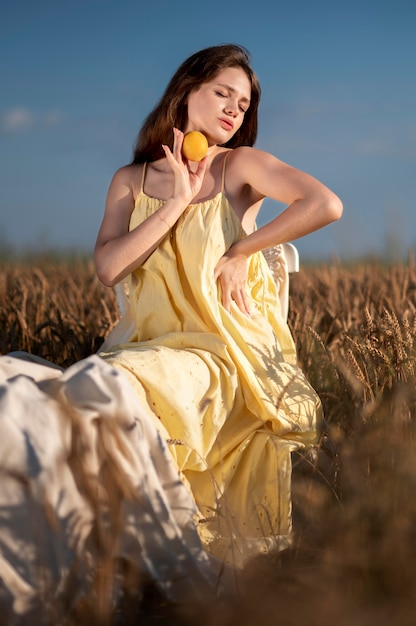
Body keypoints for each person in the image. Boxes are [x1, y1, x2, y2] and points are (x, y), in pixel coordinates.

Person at [94, 43, 343, 567]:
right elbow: (108, 268)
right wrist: (179, 202)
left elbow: (326, 204)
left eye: (244, 104)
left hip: (226, 353)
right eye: (222, 94)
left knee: (114, 387)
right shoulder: (129, 180)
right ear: (186, 92)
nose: (234, 109)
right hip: (149, 346)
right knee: (100, 391)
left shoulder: (240, 166)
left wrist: (241, 249)